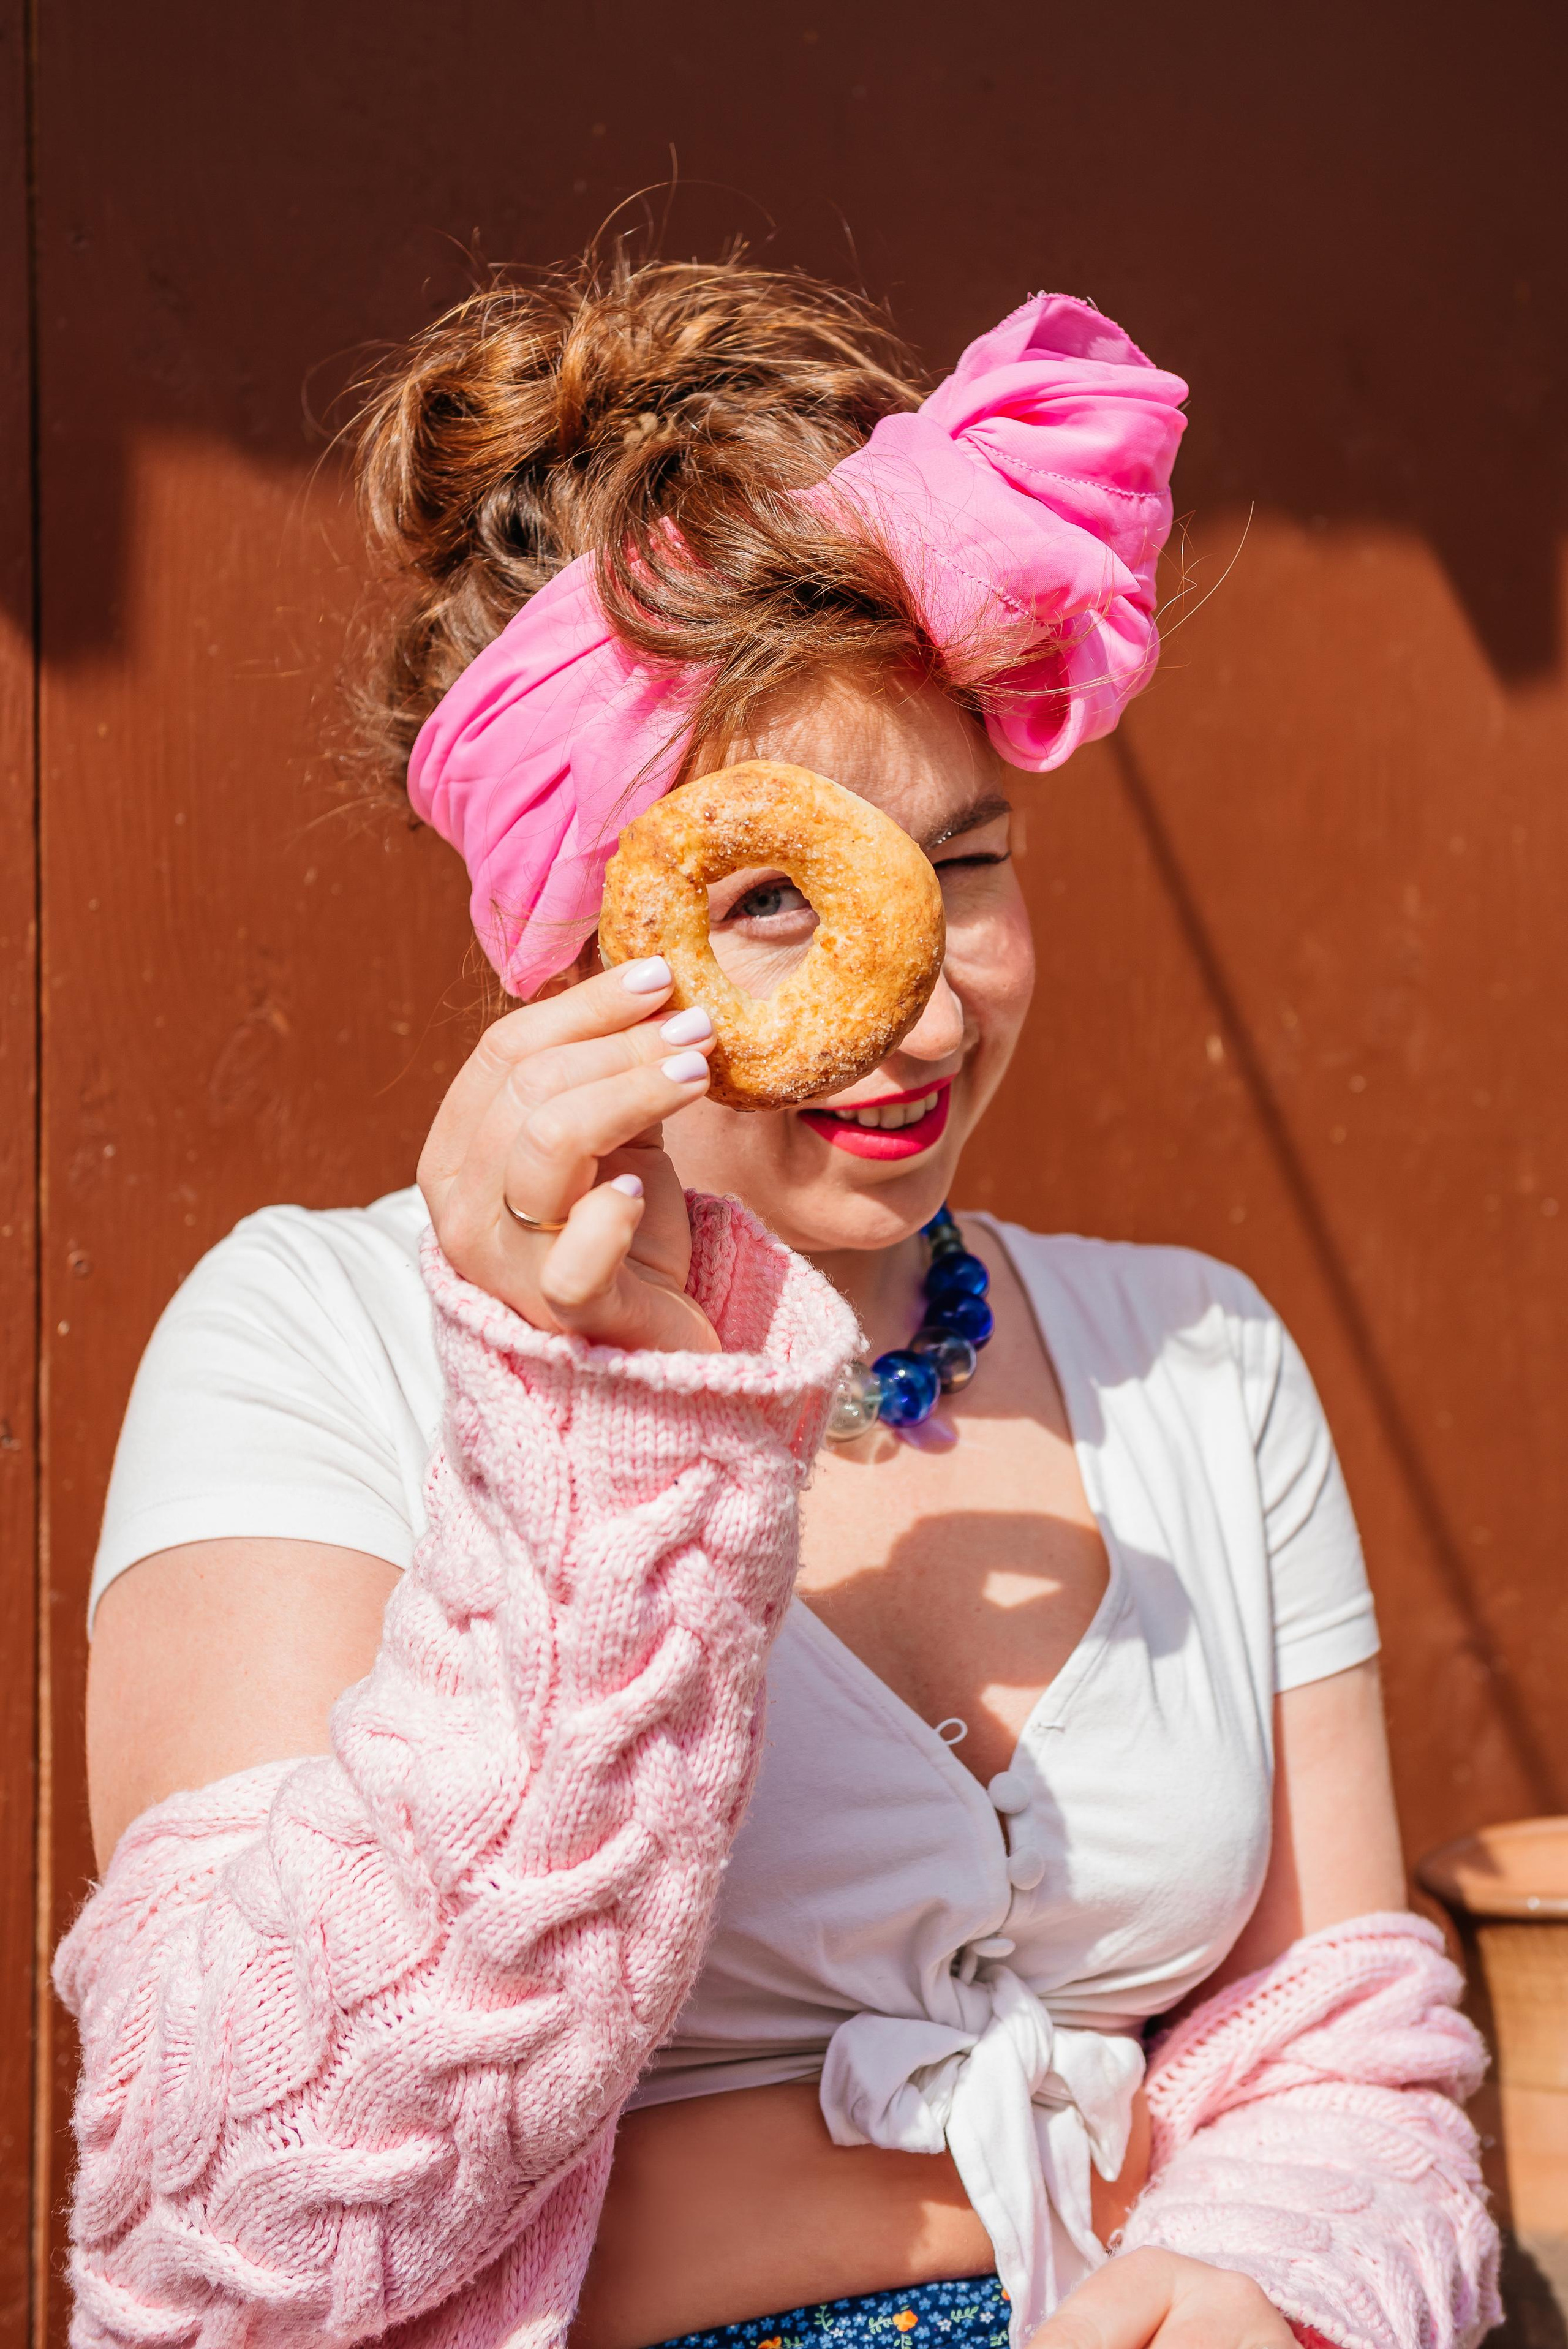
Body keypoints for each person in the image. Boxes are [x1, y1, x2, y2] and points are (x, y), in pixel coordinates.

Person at [61, 258, 1497, 2349]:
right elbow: (226, 2229)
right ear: (575, 927)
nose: (919, 990)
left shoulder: (1201, 1359)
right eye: (773, 897)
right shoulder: (315, 1344)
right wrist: (603, 1431)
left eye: (971, 862)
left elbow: (1345, 2048)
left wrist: (1251, 2274)